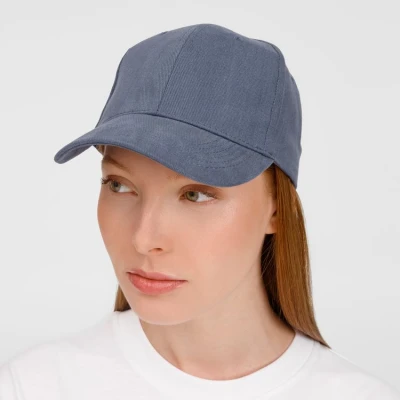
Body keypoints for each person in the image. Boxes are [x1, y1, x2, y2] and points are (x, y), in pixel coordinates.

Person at [1, 23, 399, 400]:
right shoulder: (33, 386)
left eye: (195, 195)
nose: (144, 239)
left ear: (276, 209)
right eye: (119, 185)